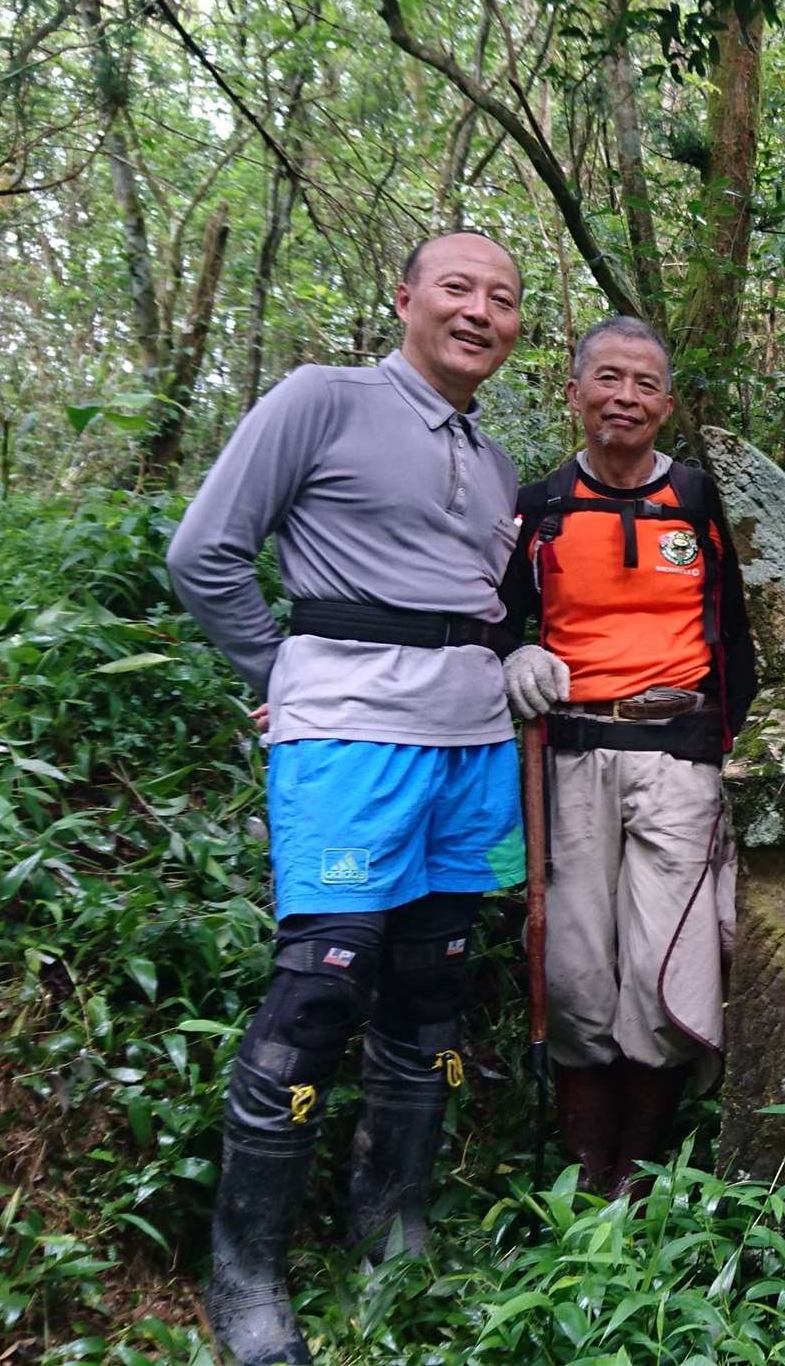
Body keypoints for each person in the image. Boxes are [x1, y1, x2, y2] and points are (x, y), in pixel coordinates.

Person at [166, 230, 527, 1366]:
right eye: (457, 287)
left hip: (471, 742)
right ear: (406, 297)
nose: (479, 311)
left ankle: (391, 1228)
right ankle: (246, 1275)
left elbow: (483, 605)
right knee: (321, 989)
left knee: (435, 985)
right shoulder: (321, 399)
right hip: (351, 740)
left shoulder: (496, 459)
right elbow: (204, 553)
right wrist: (282, 675)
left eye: (502, 298)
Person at [497, 315, 757, 1199]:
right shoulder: (539, 508)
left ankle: (634, 1183)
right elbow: (492, 618)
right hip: (569, 757)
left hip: (679, 759)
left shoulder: (702, 504)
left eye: (646, 384)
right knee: (572, 965)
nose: (626, 398)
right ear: (574, 393)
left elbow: (745, 633)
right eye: (608, 378)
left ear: (668, 407)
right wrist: (514, 654)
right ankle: (584, 1174)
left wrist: (741, 749)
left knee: (664, 965)